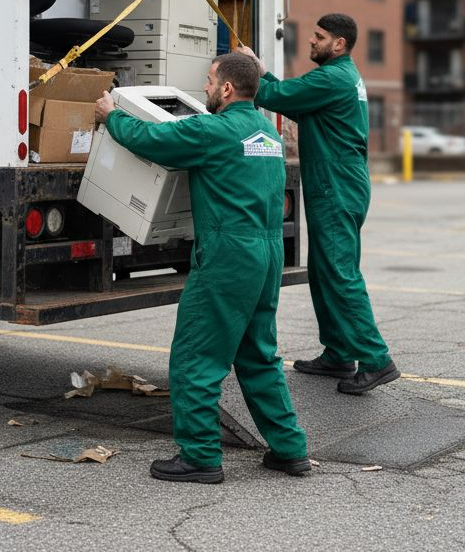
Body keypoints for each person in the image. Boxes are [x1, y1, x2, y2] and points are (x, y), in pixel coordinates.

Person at [94, 52, 309, 484]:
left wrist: (111, 116)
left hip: (227, 256)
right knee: (258, 355)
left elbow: (153, 141)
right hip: (265, 254)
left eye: (210, 81)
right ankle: (290, 449)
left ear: (227, 88)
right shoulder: (267, 133)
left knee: (196, 356)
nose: (205, 89)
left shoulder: (215, 130)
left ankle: (200, 458)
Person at [236, 14, 400, 395]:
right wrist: (261, 69)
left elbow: (276, 97)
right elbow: (294, 102)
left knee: (339, 271)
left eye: (319, 36)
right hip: (340, 182)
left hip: (336, 184)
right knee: (326, 270)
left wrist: (251, 72)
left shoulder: (333, 78)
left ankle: (376, 358)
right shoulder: (341, 76)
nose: (311, 40)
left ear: (338, 44)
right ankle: (340, 351)